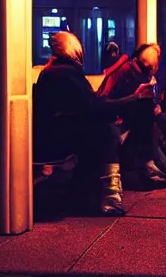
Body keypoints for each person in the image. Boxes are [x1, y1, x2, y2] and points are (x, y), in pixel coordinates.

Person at [33, 31, 125, 216]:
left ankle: (99, 190)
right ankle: (111, 193)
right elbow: (89, 106)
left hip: (53, 132)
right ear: (74, 50)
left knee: (105, 130)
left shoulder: (54, 71)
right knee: (107, 132)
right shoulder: (65, 72)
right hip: (61, 136)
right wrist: (126, 103)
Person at [97, 44, 166, 188]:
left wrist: (153, 102)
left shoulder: (142, 73)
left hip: (128, 113)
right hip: (117, 116)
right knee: (151, 116)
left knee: (158, 118)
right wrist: (136, 97)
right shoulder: (125, 71)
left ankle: (158, 164)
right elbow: (106, 99)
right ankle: (153, 165)